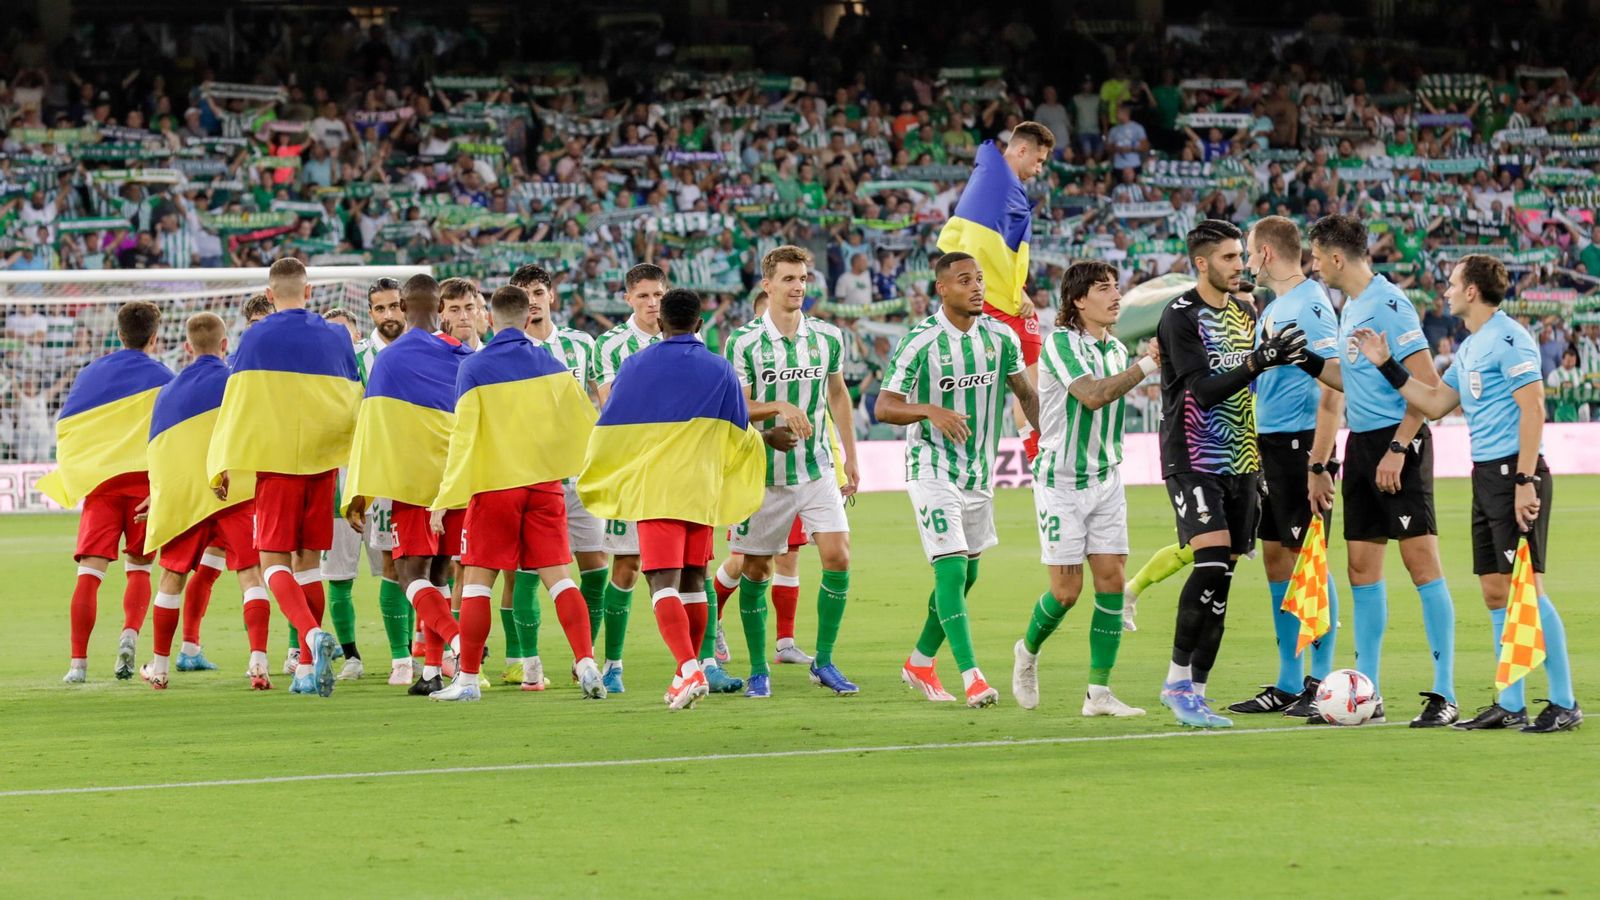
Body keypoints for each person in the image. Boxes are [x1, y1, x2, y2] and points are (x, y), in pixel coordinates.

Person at [1350, 256, 1579, 732]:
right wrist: (1387, 365)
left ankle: (1563, 701)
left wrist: (1524, 481)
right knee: (1497, 591)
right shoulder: (1473, 347)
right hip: (1485, 476)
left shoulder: (1510, 338)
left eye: (1452, 283)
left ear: (1472, 291)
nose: (1446, 291)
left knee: (1527, 592)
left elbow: (1533, 407)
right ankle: (1510, 702)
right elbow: (1434, 403)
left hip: (1515, 474)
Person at [1154, 219, 1309, 729]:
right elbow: (1201, 390)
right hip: (1194, 456)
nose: (1240, 265)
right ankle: (1176, 681)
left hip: (1243, 460)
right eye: (1227, 258)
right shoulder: (1181, 317)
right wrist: (1258, 361)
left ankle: (1196, 692)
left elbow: (1252, 390)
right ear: (1201, 263)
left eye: (1241, 256)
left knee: (1225, 578)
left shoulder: (1246, 311)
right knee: (1211, 563)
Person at [578, 287, 765, 709]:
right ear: (699, 325)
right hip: (701, 489)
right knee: (695, 582)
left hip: (656, 489)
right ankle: (695, 661)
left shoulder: (634, 365)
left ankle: (688, 668)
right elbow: (738, 431)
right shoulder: (720, 369)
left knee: (660, 582)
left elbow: (610, 427)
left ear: (660, 323)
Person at [1309, 213, 1460, 728]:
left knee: (1421, 563)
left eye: (1315, 256)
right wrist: (1304, 361)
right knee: (1360, 568)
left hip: (1400, 442)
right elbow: (1353, 381)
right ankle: (1366, 693)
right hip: (1361, 445)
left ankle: (1446, 692)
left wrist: (1400, 447)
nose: (1313, 266)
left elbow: (1426, 386)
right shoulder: (1349, 307)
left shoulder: (1390, 303)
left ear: (1335, 257)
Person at [875, 251, 1040, 708]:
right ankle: (973, 677)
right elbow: (884, 406)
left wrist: (1044, 438)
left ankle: (920, 661)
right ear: (942, 289)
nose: (977, 287)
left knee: (966, 575)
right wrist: (929, 409)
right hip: (931, 466)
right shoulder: (920, 341)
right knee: (949, 568)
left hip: (978, 471)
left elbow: (1024, 392)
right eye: (965, 280)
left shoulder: (1000, 336)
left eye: (980, 279)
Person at [426, 285, 603, 702]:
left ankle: (467, 679)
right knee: (560, 578)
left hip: (495, 488)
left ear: (489, 317)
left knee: (477, 583)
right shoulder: (553, 363)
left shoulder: (475, 366)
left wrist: (445, 497)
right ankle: (586, 661)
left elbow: (463, 437)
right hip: (545, 487)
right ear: (527, 319)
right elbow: (584, 425)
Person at [208, 257, 362, 698]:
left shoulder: (257, 335)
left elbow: (238, 401)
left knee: (273, 562)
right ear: (309, 292)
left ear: (270, 296)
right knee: (309, 564)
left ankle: (311, 637)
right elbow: (353, 396)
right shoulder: (336, 334)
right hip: (323, 465)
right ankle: (306, 672)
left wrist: (222, 461)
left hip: (277, 466)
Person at [1011, 261, 1155, 717]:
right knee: (1066, 593)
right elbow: (1092, 396)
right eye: (1103, 288)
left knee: (1111, 584)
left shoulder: (1114, 349)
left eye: (1117, 286)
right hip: (1061, 483)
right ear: (1077, 300)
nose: (1116, 295)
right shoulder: (1060, 344)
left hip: (1107, 480)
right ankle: (1027, 652)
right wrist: (1149, 364)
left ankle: (1099, 694)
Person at [724, 245, 861, 698]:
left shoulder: (828, 337)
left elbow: (838, 394)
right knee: (757, 569)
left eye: (802, 278)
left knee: (838, 556)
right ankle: (759, 668)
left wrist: (850, 455)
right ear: (767, 285)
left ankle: (824, 661)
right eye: (788, 278)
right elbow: (738, 406)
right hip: (764, 474)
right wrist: (779, 407)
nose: (798, 286)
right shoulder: (743, 341)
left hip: (817, 467)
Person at [1226, 216, 1346, 719]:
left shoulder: (1311, 304)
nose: (1246, 261)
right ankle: (1288, 680)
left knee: (1307, 559)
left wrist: (1319, 462)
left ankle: (1320, 680)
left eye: (1248, 252)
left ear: (1267, 254)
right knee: (1278, 559)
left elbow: (1334, 383)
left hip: (1301, 447)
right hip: (1270, 443)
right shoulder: (1277, 306)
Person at [343, 275, 467, 692]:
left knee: (409, 575)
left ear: (404, 306)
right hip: (455, 485)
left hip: (412, 486)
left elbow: (373, 428)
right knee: (439, 576)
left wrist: (360, 490)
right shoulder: (461, 354)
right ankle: (431, 671)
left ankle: (458, 641)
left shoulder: (391, 359)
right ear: (439, 305)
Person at [42, 301, 174, 684]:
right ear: (154, 337)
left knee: (90, 573)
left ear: (118, 334)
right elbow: (170, 434)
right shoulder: (165, 376)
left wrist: (76, 472)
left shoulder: (90, 374)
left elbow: (67, 426)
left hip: (102, 486)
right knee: (139, 569)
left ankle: (77, 665)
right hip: (144, 488)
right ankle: (129, 636)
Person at [137, 312, 270, 690]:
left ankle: (160, 667)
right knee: (251, 575)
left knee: (171, 578)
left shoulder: (168, 390)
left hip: (187, 498)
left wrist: (157, 493)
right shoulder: (238, 384)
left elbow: (160, 450)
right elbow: (256, 435)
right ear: (225, 345)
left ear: (187, 348)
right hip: (235, 495)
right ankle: (258, 662)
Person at [513, 263, 609, 687]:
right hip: (528, 477)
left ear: (550, 296)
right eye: (523, 293)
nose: (532, 300)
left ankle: (582, 658)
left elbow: (600, 402)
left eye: (537, 291)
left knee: (595, 565)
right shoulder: (505, 349)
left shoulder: (580, 345)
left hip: (579, 477)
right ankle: (529, 662)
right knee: (528, 571)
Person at [936, 123, 1053, 459]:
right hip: (992, 302)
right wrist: (980, 289)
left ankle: (1038, 456)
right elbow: (973, 247)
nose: (1039, 168)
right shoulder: (996, 181)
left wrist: (1020, 288)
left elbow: (996, 252)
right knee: (1022, 383)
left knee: (1026, 383)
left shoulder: (1000, 181)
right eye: (1039, 160)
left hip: (1007, 299)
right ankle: (1039, 458)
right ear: (1021, 150)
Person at [587, 262, 668, 694]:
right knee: (629, 564)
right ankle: (613, 662)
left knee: (690, 562)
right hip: (631, 470)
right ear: (628, 299)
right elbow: (611, 406)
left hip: (677, 467)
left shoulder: (681, 333)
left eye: (658, 295)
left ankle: (703, 658)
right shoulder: (611, 345)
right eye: (643, 296)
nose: (653, 304)